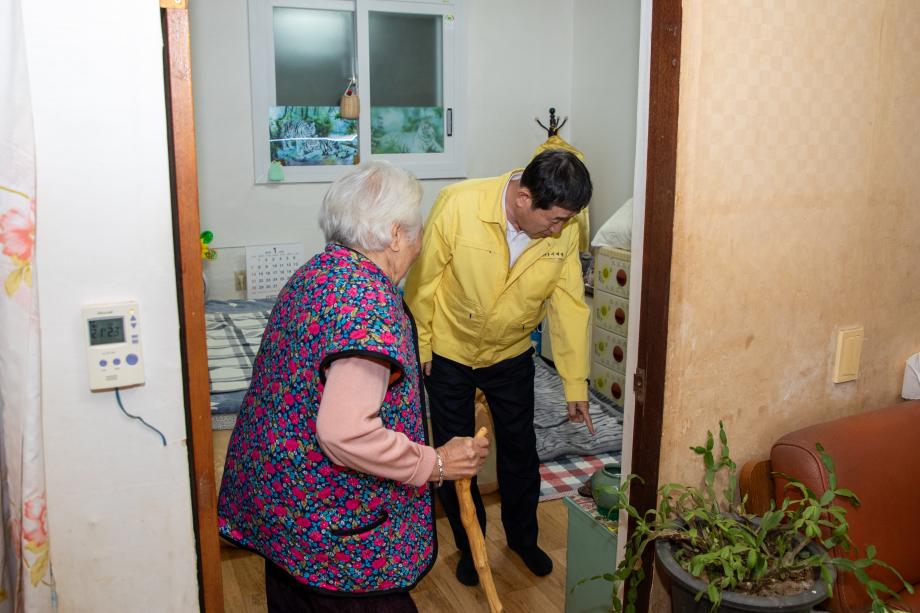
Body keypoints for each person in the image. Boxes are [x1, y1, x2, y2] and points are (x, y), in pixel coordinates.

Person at [217, 161, 490, 613]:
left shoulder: (317, 272)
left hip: (284, 515)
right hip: (333, 534)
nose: (420, 244)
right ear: (397, 235)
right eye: (418, 231)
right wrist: (436, 462)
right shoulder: (370, 308)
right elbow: (346, 433)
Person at [404, 149, 595, 586]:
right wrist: (425, 345)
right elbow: (423, 281)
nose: (562, 229)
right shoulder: (459, 204)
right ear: (524, 198)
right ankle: (471, 543)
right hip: (450, 352)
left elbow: (567, 305)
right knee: (458, 457)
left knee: (520, 450)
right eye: (556, 220)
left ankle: (522, 539)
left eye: (568, 220)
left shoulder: (562, 229)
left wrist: (574, 383)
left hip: (510, 353)